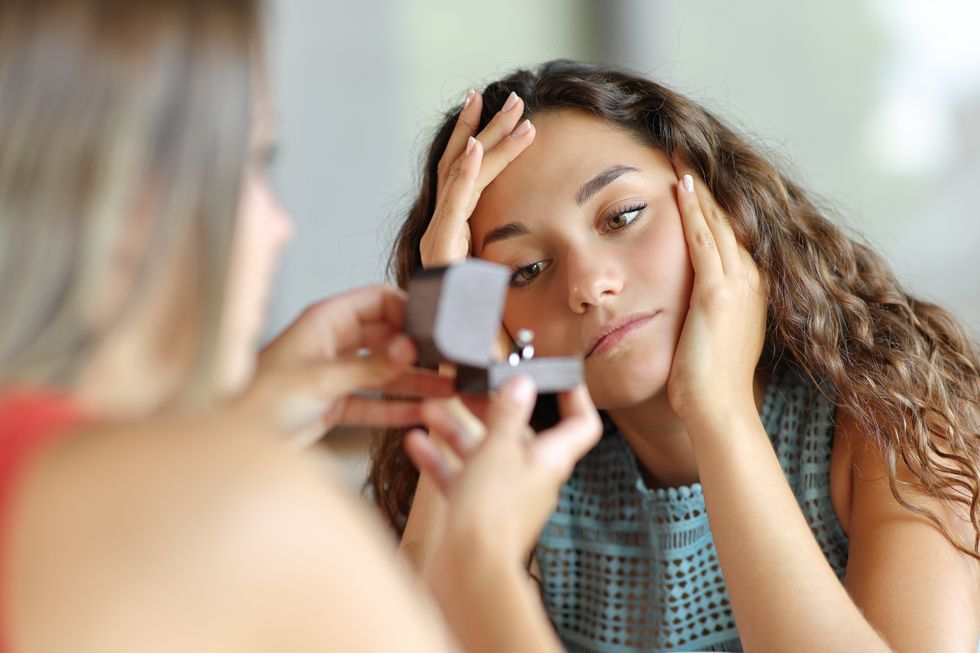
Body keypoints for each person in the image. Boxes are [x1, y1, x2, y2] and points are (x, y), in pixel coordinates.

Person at [0, 4, 601, 652]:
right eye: (256, 161)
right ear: (133, 205)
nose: (279, 225)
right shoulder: (253, 511)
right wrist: (484, 560)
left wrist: (239, 422)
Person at [370, 59, 980, 652]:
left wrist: (719, 410)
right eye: (526, 269)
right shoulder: (534, 481)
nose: (588, 285)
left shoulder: (895, 421)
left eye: (623, 216)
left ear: (719, 205)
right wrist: (458, 358)